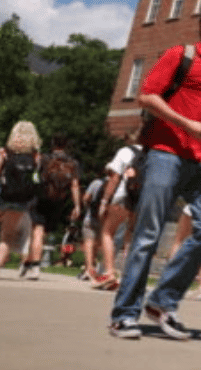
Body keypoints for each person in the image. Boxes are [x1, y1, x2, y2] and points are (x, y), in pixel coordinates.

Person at [108, 2, 201, 340]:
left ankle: (162, 301)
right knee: (148, 234)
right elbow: (147, 96)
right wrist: (186, 123)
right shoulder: (180, 55)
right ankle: (124, 314)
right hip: (167, 154)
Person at [23, 134, 82, 279]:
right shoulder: (73, 163)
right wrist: (77, 206)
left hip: (41, 198)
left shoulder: (44, 158)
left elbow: (32, 175)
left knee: (37, 232)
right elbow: (74, 185)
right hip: (58, 201)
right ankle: (29, 263)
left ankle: (33, 265)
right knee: (43, 234)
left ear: (52, 144)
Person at [94, 132, 143, 291]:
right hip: (141, 200)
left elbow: (114, 178)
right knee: (131, 237)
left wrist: (104, 201)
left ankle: (109, 273)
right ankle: (128, 276)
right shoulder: (153, 154)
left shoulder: (125, 151)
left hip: (123, 197)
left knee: (108, 232)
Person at [0, 121, 43, 271]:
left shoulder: (4, 153)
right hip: (21, 201)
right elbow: (36, 179)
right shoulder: (36, 157)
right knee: (6, 237)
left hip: (2, 195)